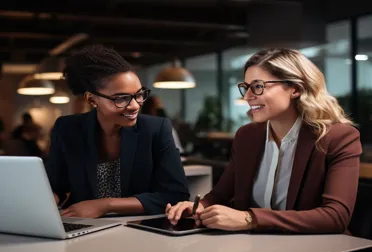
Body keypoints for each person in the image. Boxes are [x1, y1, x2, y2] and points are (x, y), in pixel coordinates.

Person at [166, 48, 362, 235]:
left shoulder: (338, 137)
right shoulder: (247, 136)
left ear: (295, 88)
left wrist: (249, 219)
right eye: (246, 87)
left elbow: (336, 216)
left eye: (258, 86)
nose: (248, 97)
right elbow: (221, 195)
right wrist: (199, 207)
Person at [46, 44, 189, 218]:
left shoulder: (156, 130)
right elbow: (57, 186)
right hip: (82, 225)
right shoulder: (68, 129)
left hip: (139, 227)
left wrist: (105, 205)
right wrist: (47, 199)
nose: (135, 105)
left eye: (139, 94)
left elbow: (175, 195)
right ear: (92, 99)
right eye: (122, 98)